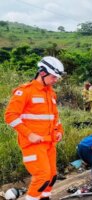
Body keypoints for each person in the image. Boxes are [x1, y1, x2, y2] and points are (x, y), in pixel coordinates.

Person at [4, 56, 65, 200]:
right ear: (42, 73)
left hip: (49, 142)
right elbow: (10, 116)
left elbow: (55, 117)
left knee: (52, 176)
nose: (55, 80)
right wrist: (29, 134)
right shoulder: (25, 91)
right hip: (33, 144)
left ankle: (44, 198)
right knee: (42, 177)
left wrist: (59, 131)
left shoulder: (50, 92)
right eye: (53, 77)